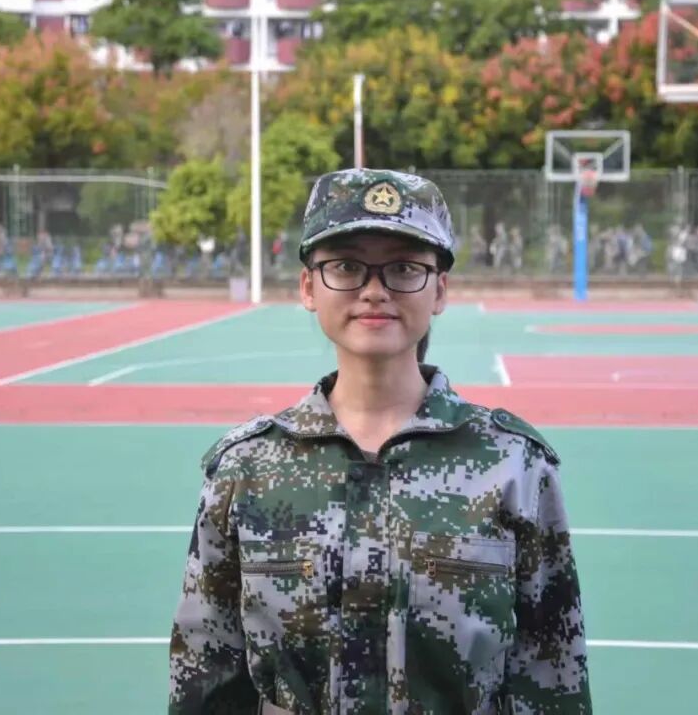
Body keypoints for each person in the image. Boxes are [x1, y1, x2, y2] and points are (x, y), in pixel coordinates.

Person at [168, 169, 592, 715]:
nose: (374, 290)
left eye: (404, 268)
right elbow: (206, 677)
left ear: (440, 290)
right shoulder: (245, 470)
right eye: (346, 266)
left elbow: (552, 677)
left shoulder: (514, 467)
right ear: (308, 287)